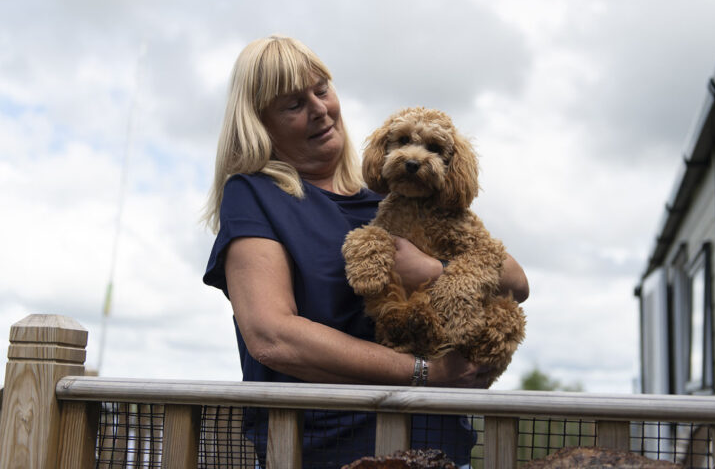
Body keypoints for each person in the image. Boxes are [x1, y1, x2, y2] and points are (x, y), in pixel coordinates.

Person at [202, 35, 529, 468]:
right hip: (324, 453)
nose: (319, 109)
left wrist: (432, 269)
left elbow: (517, 281)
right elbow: (272, 337)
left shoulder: (394, 194)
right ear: (261, 124)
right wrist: (426, 374)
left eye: (321, 90)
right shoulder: (254, 195)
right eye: (293, 105)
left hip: (438, 450)